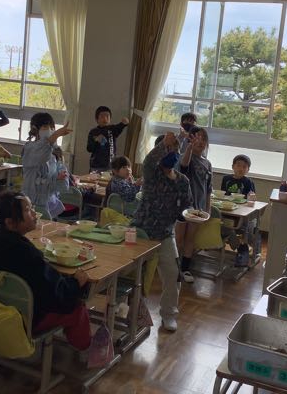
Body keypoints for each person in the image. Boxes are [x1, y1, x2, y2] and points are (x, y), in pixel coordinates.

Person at [0, 191, 91, 350]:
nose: (34, 213)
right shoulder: (26, 254)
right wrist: (75, 282)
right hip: (23, 318)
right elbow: (56, 295)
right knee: (76, 306)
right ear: (10, 223)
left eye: (31, 207)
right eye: (27, 210)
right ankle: (86, 351)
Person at [133, 133, 193, 332]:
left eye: (174, 150)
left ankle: (169, 314)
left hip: (166, 234)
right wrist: (164, 144)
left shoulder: (182, 181)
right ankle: (129, 310)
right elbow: (148, 161)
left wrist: (189, 214)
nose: (171, 153)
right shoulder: (152, 173)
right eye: (167, 149)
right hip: (141, 231)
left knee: (173, 274)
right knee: (134, 274)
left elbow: (187, 207)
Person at [176, 127, 212, 283]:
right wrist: (189, 148)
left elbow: (208, 189)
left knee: (190, 239)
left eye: (203, 139)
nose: (200, 142)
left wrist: (208, 209)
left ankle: (185, 269)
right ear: (190, 140)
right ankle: (174, 268)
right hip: (183, 205)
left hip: (198, 208)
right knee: (178, 238)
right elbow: (184, 166)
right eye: (196, 138)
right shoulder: (185, 157)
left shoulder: (207, 163)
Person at [22, 113, 72, 219]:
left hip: (49, 203)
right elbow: (42, 155)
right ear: (34, 129)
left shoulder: (55, 153)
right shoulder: (29, 148)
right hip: (31, 203)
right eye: (45, 127)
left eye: (52, 127)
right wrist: (55, 136)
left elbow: (61, 186)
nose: (49, 130)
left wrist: (59, 178)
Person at [86, 106, 129, 171]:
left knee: (110, 177)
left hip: (111, 165)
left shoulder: (112, 129)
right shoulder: (93, 132)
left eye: (107, 116)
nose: (105, 119)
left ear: (110, 118)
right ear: (97, 119)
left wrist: (124, 123)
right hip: (96, 165)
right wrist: (95, 140)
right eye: (102, 116)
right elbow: (89, 148)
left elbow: (120, 126)